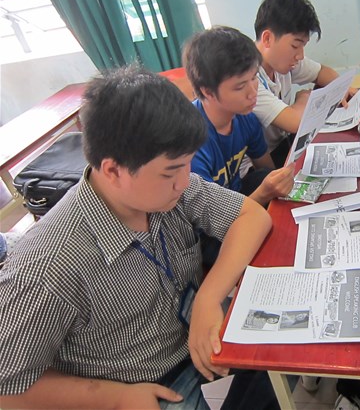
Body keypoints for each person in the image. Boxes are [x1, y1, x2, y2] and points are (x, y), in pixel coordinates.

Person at [0, 66, 281, 410]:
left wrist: (208, 298)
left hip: (197, 344)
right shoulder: (46, 268)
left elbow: (251, 217)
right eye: (170, 172)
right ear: (113, 170)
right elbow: (7, 390)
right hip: (142, 389)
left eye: (188, 164)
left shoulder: (168, 190)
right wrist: (117, 398)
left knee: (285, 359)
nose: (184, 181)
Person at [183, 26, 294, 207]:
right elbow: (212, 218)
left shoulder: (246, 117)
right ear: (208, 92)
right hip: (207, 218)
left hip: (236, 195)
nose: (253, 92)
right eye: (240, 86)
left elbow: (267, 170)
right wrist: (263, 194)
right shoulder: (190, 146)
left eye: (254, 78)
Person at [253, 0, 343, 167]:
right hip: (264, 162)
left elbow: (324, 73)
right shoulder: (247, 78)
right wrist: (303, 99)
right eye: (295, 46)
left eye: (303, 46)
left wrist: (342, 88)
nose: (300, 56)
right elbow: (296, 122)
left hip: (285, 145)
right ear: (268, 39)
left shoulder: (284, 63)